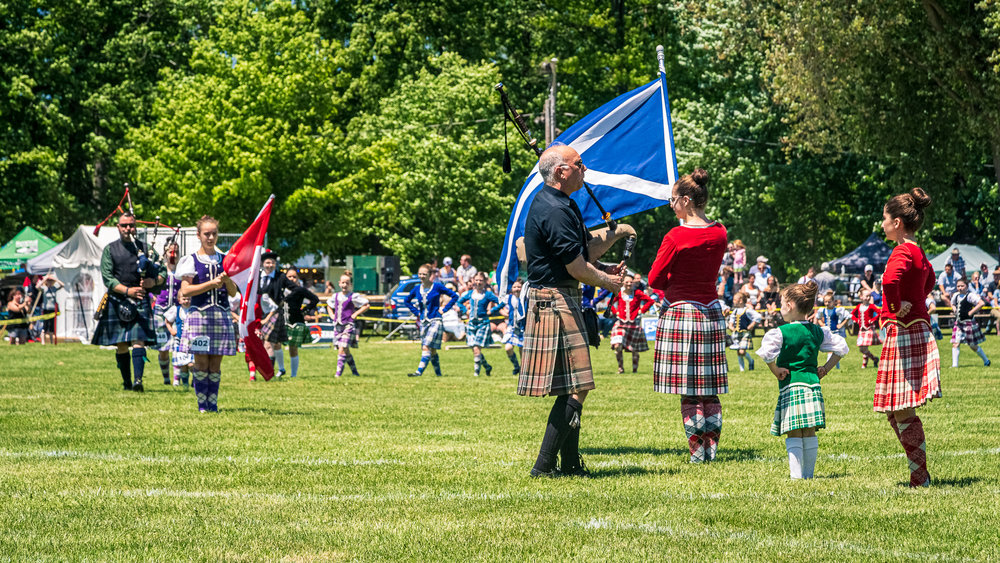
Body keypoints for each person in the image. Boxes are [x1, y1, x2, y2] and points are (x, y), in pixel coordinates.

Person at [519, 144, 629, 478]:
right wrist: (610, 283)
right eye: (579, 164)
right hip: (554, 299)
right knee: (577, 386)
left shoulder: (563, 204)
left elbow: (584, 252)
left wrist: (615, 235)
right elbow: (578, 268)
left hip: (559, 297)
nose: (585, 169)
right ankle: (543, 466)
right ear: (560, 172)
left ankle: (568, 465)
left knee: (573, 386)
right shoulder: (552, 209)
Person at [648, 168, 728, 464]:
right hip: (710, 312)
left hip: (680, 312)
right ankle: (712, 451)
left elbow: (655, 278)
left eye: (672, 200)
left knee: (689, 390)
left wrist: (673, 276)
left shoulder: (676, 236)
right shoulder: (720, 231)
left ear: (685, 200)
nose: (671, 205)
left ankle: (697, 453)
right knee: (709, 388)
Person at [874, 188, 942, 487]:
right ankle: (919, 473)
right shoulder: (919, 251)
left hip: (905, 331)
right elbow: (930, 280)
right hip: (916, 328)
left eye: (886, 218)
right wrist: (914, 300)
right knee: (896, 408)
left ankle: (920, 476)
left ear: (898, 222)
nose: (883, 223)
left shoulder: (902, 250)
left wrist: (894, 307)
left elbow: (890, 280)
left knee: (901, 407)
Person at [756, 282, 848, 480]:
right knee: (809, 431)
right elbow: (841, 348)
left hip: (792, 386)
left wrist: (775, 370)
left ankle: (797, 477)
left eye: (781, 303)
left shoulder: (781, 332)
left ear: (789, 305)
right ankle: (808, 475)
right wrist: (826, 368)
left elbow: (767, 354)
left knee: (794, 432)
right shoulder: (817, 331)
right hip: (813, 386)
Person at [91, 213, 163, 392]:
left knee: (138, 341)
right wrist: (127, 290)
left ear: (135, 226)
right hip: (118, 299)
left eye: (131, 225)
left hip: (140, 301)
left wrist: (152, 282)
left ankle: (138, 381)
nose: (127, 229)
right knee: (122, 343)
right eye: (124, 226)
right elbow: (108, 278)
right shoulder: (110, 249)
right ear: (118, 227)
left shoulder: (146, 249)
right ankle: (126, 382)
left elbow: (162, 272)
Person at [178, 215, 238, 412]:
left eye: (213, 234)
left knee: (215, 363)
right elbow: (185, 290)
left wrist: (227, 279)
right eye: (207, 234)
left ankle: (213, 403)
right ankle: (202, 404)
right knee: (201, 361)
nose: (210, 238)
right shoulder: (191, 260)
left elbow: (232, 292)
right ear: (199, 235)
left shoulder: (225, 260)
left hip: (220, 316)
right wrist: (210, 284)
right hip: (199, 317)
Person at [406, 264, 460, 377]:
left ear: (430, 275)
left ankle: (418, 372)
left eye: (424, 274)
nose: (422, 276)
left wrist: (444, 309)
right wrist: (417, 312)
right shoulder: (417, 289)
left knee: (426, 346)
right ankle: (438, 374)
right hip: (423, 321)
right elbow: (407, 301)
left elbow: (454, 296)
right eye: (420, 274)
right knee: (433, 350)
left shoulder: (437, 287)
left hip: (436, 320)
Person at [607, 276, 655, 374]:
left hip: (634, 323)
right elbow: (610, 302)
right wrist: (615, 312)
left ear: (633, 283)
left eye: (631, 282)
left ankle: (635, 370)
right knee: (617, 345)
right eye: (627, 282)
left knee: (634, 348)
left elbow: (650, 301)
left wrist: (642, 310)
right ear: (623, 283)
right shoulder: (619, 293)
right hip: (621, 323)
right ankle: (620, 368)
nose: (629, 284)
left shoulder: (637, 293)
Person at [259, 251, 296, 376]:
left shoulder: (280, 277)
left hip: (275, 313)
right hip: (259, 312)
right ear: (263, 264)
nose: (270, 265)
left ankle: (269, 372)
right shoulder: (257, 276)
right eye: (267, 262)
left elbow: (294, 289)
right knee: (273, 344)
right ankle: (279, 369)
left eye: (272, 263)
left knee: (269, 342)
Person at [457, 272, 501, 376]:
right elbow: (459, 302)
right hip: (472, 323)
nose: (478, 282)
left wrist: (492, 310)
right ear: (473, 281)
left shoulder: (488, 294)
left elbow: (501, 302)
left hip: (483, 323)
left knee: (477, 348)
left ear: (485, 282)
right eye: (476, 280)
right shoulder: (470, 293)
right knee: (474, 348)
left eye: (480, 280)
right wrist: (465, 310)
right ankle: (487, 366)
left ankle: (476, 372)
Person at [327, 272, 370, 377]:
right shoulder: (335, 296)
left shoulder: (353, 296)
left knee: (343, 346)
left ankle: (338, 373)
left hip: (348, 325)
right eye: (343, 283)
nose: (344, 285)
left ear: (350, 284)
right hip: (338, 325)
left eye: (347, 283)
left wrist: (355, 314)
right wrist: (332, 314)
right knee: (344, 349)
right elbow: (328, 305)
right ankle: (354, 371)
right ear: (339, 283)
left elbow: (366, 305)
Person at [281, 267, 319, 378]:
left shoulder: (300, 290)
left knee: (293, 348)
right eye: (289, 276)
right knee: (275, 344)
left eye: (294, 277)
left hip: (295, 321)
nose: (292, 279)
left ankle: (293, 374)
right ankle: (280, 369)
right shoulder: (281, 289)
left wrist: (305, 310)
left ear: (297, 279)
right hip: (281, 320)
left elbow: (315, 299)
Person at [152, 241, 182, 385]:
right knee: (163, 348)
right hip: (160, 310)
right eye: (170, 251)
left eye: (175, 252)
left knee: (177, 345)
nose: (173, 254)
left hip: (176, 311)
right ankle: (166, 379)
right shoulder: (159, 269)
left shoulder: (182, 271)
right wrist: (153, 297)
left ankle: (177, 380)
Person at [950, 278, 991, 367]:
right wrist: (954, 310)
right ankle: (954, 366)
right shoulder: (956, 295)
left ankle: (986, 361)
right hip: (959, 323)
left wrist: (971, 312)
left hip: (968, 324)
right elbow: (952, 303)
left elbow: (981, 303)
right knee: (955, 343)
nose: (960, 288)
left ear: (967, 287)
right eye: (958, 286)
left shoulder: (970, 296)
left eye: (962, 286)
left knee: (973, 346)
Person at [164, 293, 193, 389]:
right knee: (183, 365)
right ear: (179, 300)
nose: (186, 301)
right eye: (184, 299)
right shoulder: (176, 310)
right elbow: (167, 320)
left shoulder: (194, 309)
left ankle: (195, 381)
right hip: (180, 341)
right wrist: (171, 330)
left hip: (192, 341)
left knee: (192, 364)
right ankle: (185, 384)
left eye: (188, 298)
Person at [727, 292, 761, 372]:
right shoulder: (735, 311)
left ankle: (751, 361)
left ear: (741, 301)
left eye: (735, 299)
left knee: (742, 351)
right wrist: (731, 326)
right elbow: (731, 321)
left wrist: (752, 325)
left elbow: (758, 317)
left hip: (745, 334)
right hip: (736, 334)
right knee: (739, 352)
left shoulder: (747, 310)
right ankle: (742, 370)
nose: (733, 301)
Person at [500, 279, 526, 374]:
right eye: (514, 287)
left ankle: (523, 370)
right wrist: (502, 311)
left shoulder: (525, 298)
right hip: (512, 327)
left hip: (523, 328)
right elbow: (499, 305)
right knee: (508, 348)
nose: (517, 289)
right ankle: (516, 366)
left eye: (519, 287)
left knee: (522, 351)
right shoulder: (509, 298)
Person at [818, 293, 850, 369]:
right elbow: (818, 318)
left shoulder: (837, 310)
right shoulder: (823, 310)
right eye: (825, 302)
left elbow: (848, 316)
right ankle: (830, 367)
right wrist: (822, 324)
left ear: (833, 301)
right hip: (827, 333)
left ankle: (832, 367)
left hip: (835, 332)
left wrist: (841, 325)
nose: (827, 303)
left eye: (829, 302)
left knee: (836, 349)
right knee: (830, 349)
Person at [851, 289, 881, 368]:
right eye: (866, 296)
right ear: (861, 297)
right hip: (862, 330)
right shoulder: (859, 306)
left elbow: (879, 312)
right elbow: (852, 314)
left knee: (865, 347)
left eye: (869, 296)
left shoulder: (871, 306)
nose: (868, 298)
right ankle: (874, 358)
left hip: (868, 329)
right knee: (862, 348)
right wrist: (856, 320)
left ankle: (864, 364)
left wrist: (873, 320)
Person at [34, 274, 64, 345]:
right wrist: (45, 279)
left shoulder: (54, 288)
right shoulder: (44, 288)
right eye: (49, 281)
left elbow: (62, 285)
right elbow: (37, 287)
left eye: (51, 281)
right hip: (45, 309)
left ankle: (51, 341)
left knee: (51, 327)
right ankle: (43, 342)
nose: (50, 282)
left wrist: (55, 279)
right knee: (45, 326)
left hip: (53, 309)